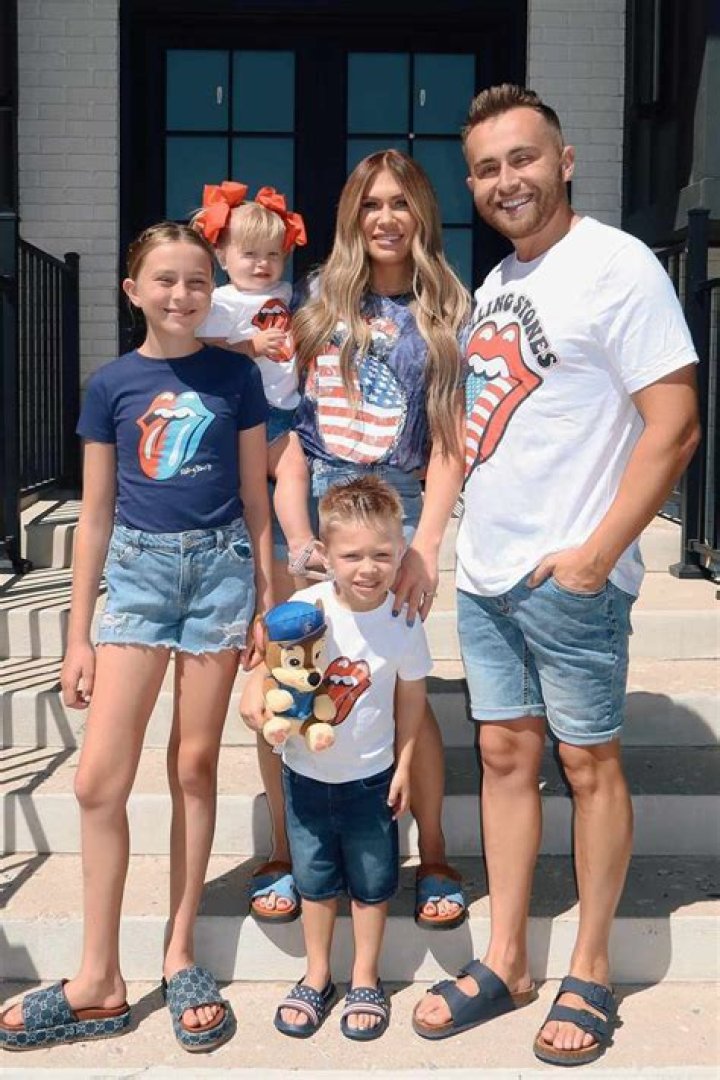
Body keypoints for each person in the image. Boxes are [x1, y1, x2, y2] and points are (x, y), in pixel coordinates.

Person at [411, 85, 701, 1067]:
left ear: (565, 161)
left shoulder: (617, 266)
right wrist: (439, 543)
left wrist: (596, 555)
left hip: (570, 574)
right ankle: (506, 959)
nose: (507, 180)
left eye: (523, 159)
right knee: (501, 757)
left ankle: (589, 969)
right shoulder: (498, 283)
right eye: (487, 169)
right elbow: (473, 429)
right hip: (489, 573)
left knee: (588, 765)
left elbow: (675, 425)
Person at [0, 222, 273, 1053]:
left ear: (212, 291)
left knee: (193, 765)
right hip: (138, 581)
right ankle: (98, 978)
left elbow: (257, 500)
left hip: (221, 574)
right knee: (96, 781)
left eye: (197, 281)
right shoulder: (110, 385)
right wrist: (77, 635)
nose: (181, 294)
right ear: (133, 291)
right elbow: (94, 517)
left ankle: (181, 952)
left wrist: (266, 600)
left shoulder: (236, 376)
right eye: (165, 280)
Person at [247, 149, 471, 932]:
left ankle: (433, 852)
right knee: (290, 677)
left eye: (400, 203)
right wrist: (292, 528)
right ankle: (288, 851)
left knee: (396, 673)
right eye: (371, 204)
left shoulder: (448, 306)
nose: (386, 218)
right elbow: (280, 419)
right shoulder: (312, 301)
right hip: (311, 503)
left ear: (422, 213)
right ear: (352, 215)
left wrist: (426, 542)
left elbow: (451, 439)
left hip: (395, 504)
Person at [241, 476, 431, 1040]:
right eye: (352, 556)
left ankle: (366, 976)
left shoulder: (403, 620)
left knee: (372, 882)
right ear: (326, 554)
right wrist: (254, 688)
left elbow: (412, 703)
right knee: (315, 879)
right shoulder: (307, 605)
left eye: (382, 555)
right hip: (305, 775)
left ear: (401, 551)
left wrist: (405, 764)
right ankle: (317, 973)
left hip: (372, 779)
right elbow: (269, 659)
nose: (368, 568)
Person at [193, 181, 325, 580]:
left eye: (272, 254)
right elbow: (206, 351)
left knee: (294, 471)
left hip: (285, 410)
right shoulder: (223, 301)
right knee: (245, 489)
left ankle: (301, 544)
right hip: (245, 412)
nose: (261, 264)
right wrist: (250, 346)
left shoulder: (287, 292)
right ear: (222, 256)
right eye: (249, 254)